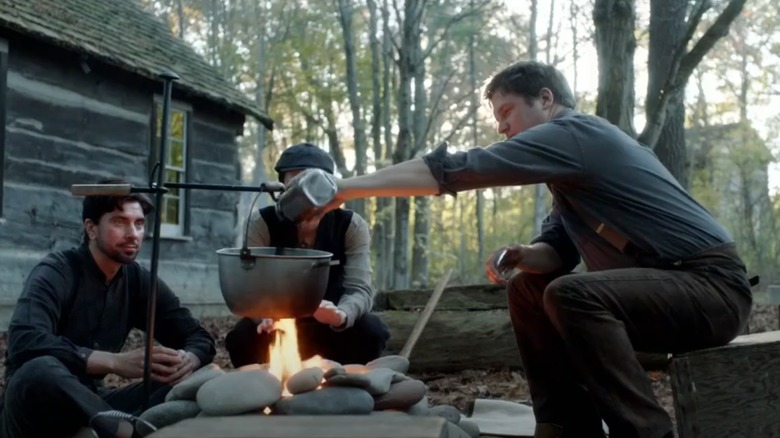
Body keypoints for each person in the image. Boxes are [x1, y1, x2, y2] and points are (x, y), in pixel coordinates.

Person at [283, 62, 753, 438]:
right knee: (531, 289)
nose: (503, 128)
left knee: (572, 294)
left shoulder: (578, 135)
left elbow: (458, 170)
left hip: (711, 290)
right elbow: (557, 252)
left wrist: (341, 189)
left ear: (545, 100)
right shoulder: (569, 172)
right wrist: (526, 255)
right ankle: (567, 425)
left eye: (506, 113)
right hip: (667, 293)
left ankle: (646, 431)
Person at [0, 178, 217, 438]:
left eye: (138, 224)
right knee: (39, 369)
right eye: (119, 222)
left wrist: (187, 360)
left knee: (193, 381)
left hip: (97, 405)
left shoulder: (137, 280)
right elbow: (25, 340)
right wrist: (114, 361)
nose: (133, 234)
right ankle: (127, 431)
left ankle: (119, 428)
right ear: (91, 229)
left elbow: (199, 338)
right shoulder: (57, 271)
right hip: (36, 407)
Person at [224, 143, 390, 367]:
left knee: (372, 331)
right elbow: (249, 289)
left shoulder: (351, 225)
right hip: (278, 327)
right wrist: (262, 316)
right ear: (281, 187)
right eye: (295, 185)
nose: (306, 198)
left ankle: (343, 387)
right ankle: (265, 390)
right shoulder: (261, 222)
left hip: (331, 328)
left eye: (313, 185)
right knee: (241, 337)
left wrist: (341, 314)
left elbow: (360, 289)